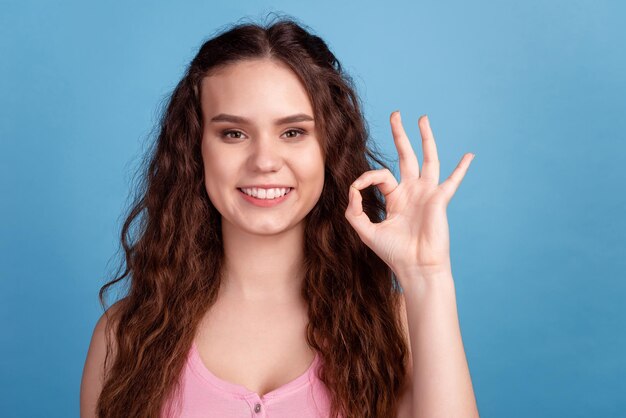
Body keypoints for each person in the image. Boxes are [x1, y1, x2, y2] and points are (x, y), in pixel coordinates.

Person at [80, 15, 479, 418]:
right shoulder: (124, 336)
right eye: (233, 133)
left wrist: (428, 278)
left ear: (329, 147)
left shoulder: (398, 328)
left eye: (293, 132)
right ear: (194, 149)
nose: (265, 162)